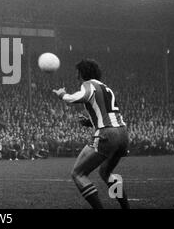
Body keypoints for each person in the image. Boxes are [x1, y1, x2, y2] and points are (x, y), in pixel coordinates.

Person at [52, 59, 130, 209]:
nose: (76, 76)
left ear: (81, 73)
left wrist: (63, 95)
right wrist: (91, 122)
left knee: (78, 174)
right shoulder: (106, 88)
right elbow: (108, 112)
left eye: (77, 72)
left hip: (107, 134)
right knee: (106, 172)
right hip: (123, 134)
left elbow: (79, 97)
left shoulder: (88, 84)